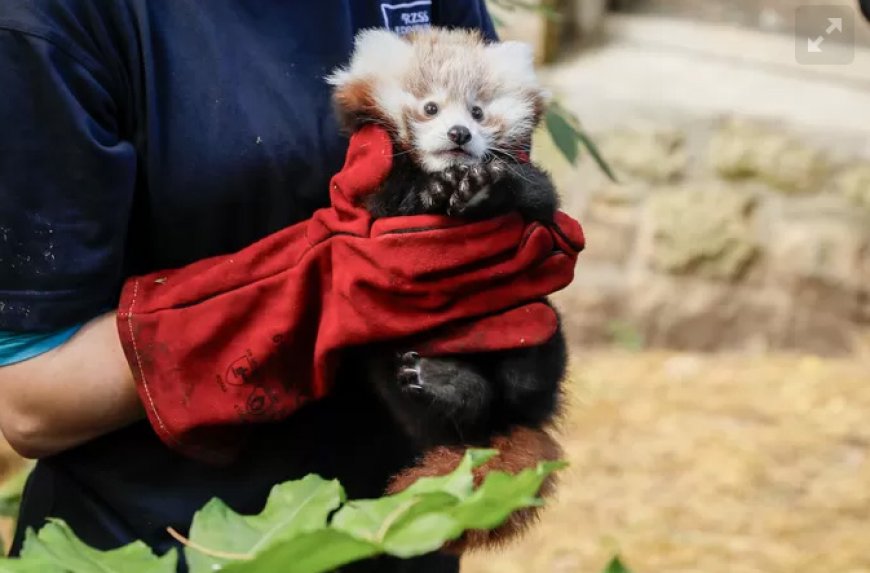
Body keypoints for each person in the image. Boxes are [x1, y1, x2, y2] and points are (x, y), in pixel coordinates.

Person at [0, 2, 579, 571]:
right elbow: (29, 403)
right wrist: (312, 298)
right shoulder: (54, 21)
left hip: (399, 528)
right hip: (161, 544)